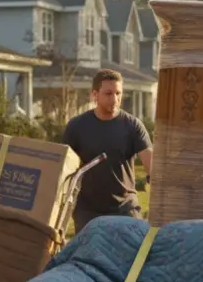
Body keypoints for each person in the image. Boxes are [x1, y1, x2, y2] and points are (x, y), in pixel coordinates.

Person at [61, 69, 153, 234]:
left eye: (118, 93)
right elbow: (63, 167)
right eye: (108, 94)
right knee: (88, 257)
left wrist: (154, 180)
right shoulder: (77, 126)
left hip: (125, 208)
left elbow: (150, 162)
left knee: (132, 256)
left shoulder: (133, 126)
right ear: (94, 94)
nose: (115, 99)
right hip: (88, 210)